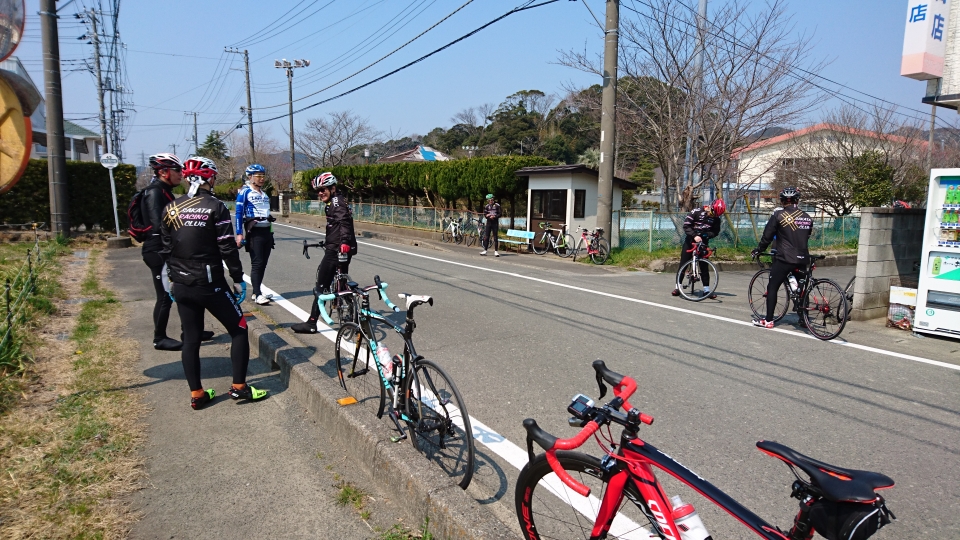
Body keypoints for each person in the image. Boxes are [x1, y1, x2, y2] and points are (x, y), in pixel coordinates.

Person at [160, 156, 267, 409]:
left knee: (191, 339)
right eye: (214, 177)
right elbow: (227, 247)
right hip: (210, 283)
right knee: (239, 330)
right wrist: (238, 279)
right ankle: (240, 388)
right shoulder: (215, 206)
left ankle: (197, 394)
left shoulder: (171, 208)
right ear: (208, 177)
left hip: (182, 284)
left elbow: (165, 249)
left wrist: (172, 280)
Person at [291, 172, 357, 334]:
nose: (320, 193)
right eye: (318, 190)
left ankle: (312, 323)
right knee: (342, 283)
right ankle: (352, 317)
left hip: (337, 249)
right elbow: (336, 226)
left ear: (333, 188)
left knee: (321, 285)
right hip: (339, 247)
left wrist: (343, 242)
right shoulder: (337, 201)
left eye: (323, 189)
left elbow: (344, 223)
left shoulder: (336, 202)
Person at [142, 153, 189, 351]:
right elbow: (159, 225)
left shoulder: (165, 191)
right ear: (163, 172)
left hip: (165, 249)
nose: (181, 174)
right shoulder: (155, 192)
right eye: (177, 170)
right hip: (159, 250)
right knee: (165, 295)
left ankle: (190, 331)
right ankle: (159, 338)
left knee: (179, 292)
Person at [751, 187, 813, 329]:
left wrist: (759, 250)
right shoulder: (807, 217)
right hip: (803, 256)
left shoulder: (779, 215)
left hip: (785, 257)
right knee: (802, 287)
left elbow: (767, 236)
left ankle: (768, 320)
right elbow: (807, 235)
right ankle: (804, 319)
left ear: (783, 200)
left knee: (772, 286)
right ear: (797, 200)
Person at [235, 163, 275, 305]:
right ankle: (258, 295)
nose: (261, 179)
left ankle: (256, 291)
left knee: (263, 263)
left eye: (263, 176)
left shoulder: (264, 194)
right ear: (250, 177)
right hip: (254, 231)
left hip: (267, 231)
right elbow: (239, 214)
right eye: (258, 176)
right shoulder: (245, 192)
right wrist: (239, 233)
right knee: (257, 263)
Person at [672, 199, 726, 299]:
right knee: (683, 263)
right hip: (690, 241)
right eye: (712, 213)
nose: (713, 216)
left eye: (716, 215)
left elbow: (715, 232)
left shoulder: (716, 219)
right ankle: (677, 287)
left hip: (703, 242)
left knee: (704, 265)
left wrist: (705, 235)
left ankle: (706, 290)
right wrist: (694, 235)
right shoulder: (696, 212)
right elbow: (686, 225)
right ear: (710, 207)